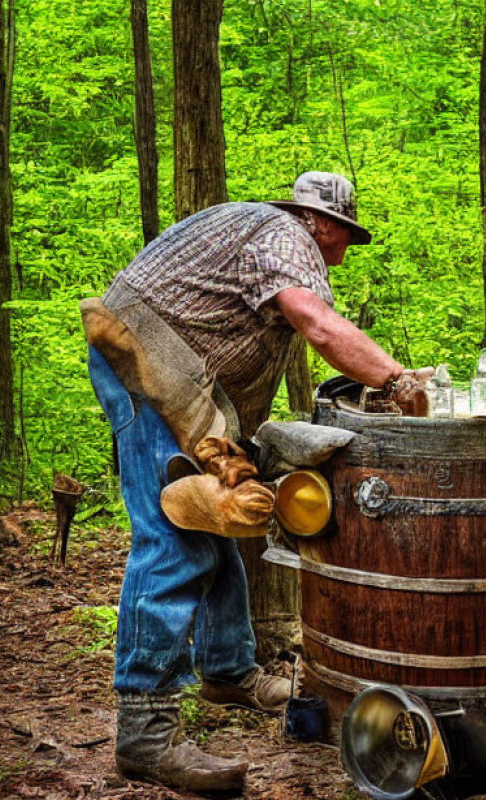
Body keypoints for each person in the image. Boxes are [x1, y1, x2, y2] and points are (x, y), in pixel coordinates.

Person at [82, 172, 426, 794]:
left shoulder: (265, 238)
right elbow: (315, 323)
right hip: (144, 366)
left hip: (182, 383)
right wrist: (396, 380)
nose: (345, 250)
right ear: (321, 223)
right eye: (345, 235)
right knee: (173, 532)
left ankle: (227, 669)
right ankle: (144, 731)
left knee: (220, 519)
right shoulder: (285, 233)